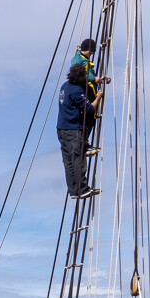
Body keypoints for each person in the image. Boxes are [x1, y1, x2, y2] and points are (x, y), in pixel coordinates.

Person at [56, 62, 105, 199]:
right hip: (73, 130)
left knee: (68, 161)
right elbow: (89, 109)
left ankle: (73, 191)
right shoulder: (76, 91)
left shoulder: (65, 86)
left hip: (61, 129)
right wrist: (98, 98)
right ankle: (82, 189)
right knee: (78, 159)